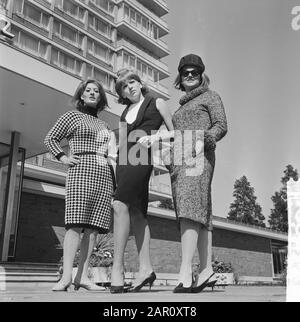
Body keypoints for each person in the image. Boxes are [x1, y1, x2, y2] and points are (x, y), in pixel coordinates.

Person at [44, 79, 116, 292]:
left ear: (101, 98)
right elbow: (51, 138)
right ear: (81, 95)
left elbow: (110, 155)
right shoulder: (71, 116)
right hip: (80, 170)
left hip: (103, 173)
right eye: (88, 90)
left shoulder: (105, 125)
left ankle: (83, 276)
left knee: (93, 229)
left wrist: (114, 183)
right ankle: (66, 277)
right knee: (75, 223)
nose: (92, 93)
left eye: (96, 91)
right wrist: (63, 158)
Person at [110, 69, 174, 293]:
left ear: (140, 83)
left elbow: (175, 132)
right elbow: (122, 142)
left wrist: (156, 136)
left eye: (133, 82)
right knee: (137, 212)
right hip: (123, 160)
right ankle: (146, 269)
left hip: (141, 159)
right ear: (122, 93)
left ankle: (117, 268)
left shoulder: (157, 102)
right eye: (125, 86)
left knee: (118, 204)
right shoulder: (125, 112)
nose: (131, 87)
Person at [170, 54, 227, 293]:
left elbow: (221, 125)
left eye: (195, 72)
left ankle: (185, 271)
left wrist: (205, 140)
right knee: (200, 209)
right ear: (180, 78)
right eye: (186, 73)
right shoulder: (181, 106)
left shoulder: (210, 96)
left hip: (199, 156)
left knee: (190, 209)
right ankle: (205, 270)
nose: (190, 75)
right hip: (179, 160)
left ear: (201, 75)